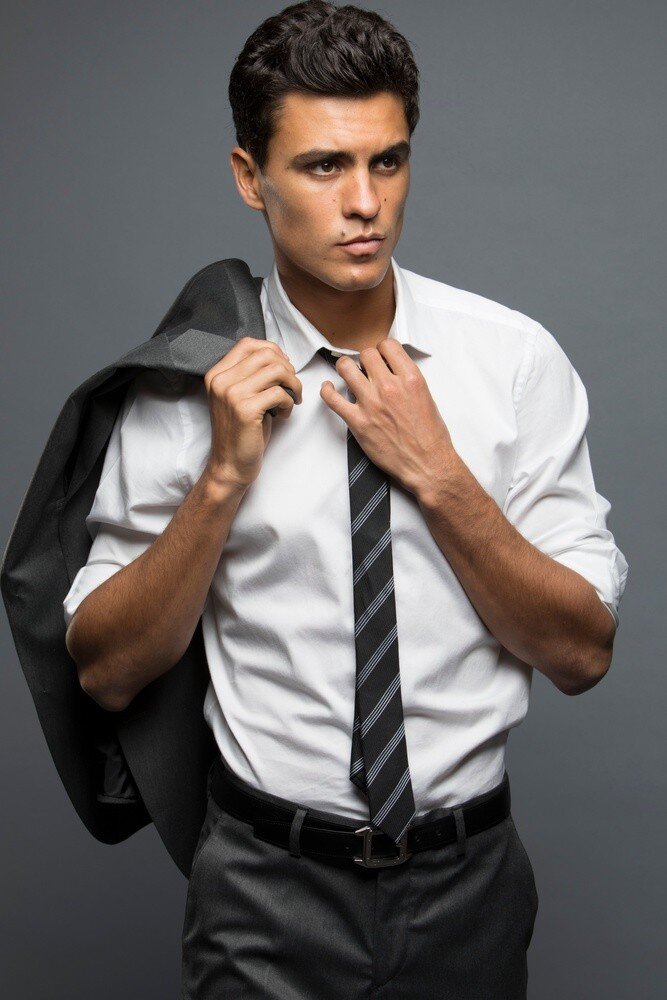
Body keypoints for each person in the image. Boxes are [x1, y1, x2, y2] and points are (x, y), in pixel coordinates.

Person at [62, 2, 629, 997]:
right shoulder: (192, 384)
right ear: (251, 177)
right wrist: (222, 478)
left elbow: (581, 655)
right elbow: (106, 671)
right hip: (262, 890)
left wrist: (439, 475)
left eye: (387, 161)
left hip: (468, 885)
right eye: (324, 166)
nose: (364, 202)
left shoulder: (511, 361)